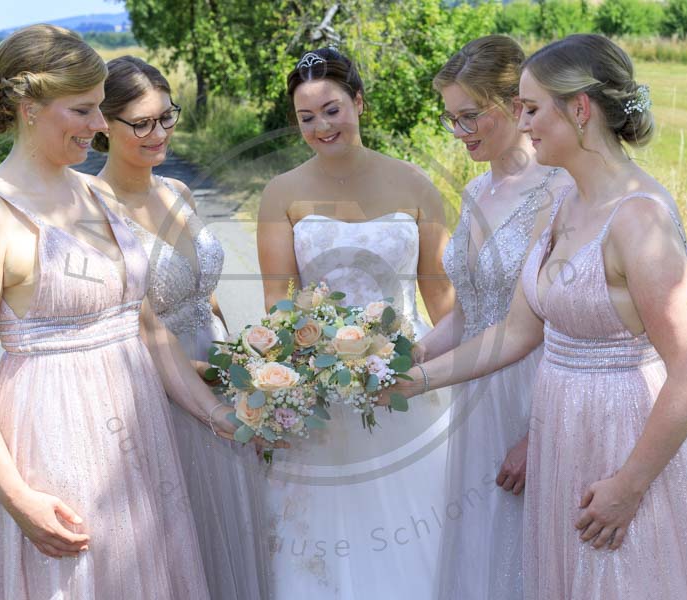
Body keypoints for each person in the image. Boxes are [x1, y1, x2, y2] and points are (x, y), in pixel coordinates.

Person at [383, 33, 687, 599]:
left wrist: (628, 486)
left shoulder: (639, 219)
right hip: (562, 434)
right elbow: (516, 332)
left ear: (580, 109)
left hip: (622, 438)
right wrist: (410, 381)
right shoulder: (564, 206)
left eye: (532, 108)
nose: (524, 122)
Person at [0, 25, 225, 598]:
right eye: (84, 110)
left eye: (100, 108)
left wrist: (224, 419)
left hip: (143, 432)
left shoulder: (96, 195)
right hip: (57, 437)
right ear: (29, 108)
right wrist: (16, 496)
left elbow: (147, 329)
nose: (100, 125)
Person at [257, 47, 455, 599]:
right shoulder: (281, 193)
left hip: (407, 380)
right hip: (321, 387)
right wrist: (302, 372)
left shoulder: (415, 184)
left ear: (359, 103)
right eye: (306, 117)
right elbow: (278, 303)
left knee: (419, 528)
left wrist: (462, 372)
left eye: (332, 110)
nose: (322, 126)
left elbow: (441, 296)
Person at [94, 55, 271, 600]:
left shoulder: (177, 191)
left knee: (237, 519)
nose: (159, 133)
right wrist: (194, 371)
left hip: (218, 367)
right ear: (103, 124)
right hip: (156, 383)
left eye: (166, 117)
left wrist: (241, 356)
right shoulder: (94, 208)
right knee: (184, 527)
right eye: (141, 123)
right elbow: (115, 319)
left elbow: (204, 292)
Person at [417, 35, 573, 600]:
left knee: (534, 554)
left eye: (469, 116)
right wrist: (407, 354)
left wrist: (538, 437)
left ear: (514, 105)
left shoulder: (561, 190)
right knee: (481, 552)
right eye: (450, 120)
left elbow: (566, 325)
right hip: (475, 392)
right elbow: (469, 311)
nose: (459, 132)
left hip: (535, 392)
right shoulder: (476, 189)